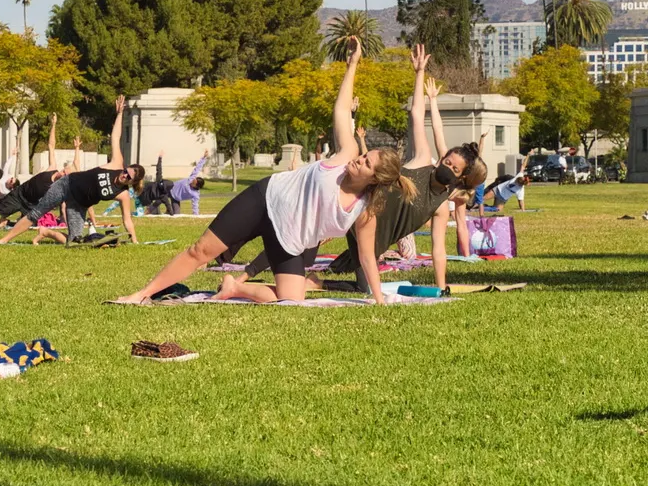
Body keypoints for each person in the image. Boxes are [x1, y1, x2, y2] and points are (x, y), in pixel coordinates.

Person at [115, 37, 414, 305]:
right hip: (265, 201)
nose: (360, 159)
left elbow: (367, 259)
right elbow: (340, 110)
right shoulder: (345, 155)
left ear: (373, 180)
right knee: (200, 251)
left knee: (292, 298)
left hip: (289, 239)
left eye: (367, 163)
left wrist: (379, 300)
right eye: (366, 155)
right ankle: (141, 295)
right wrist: (352, 65)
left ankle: (234, 287)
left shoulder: (363, 212)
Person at [222, 46, 487, 296]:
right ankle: (242, 275)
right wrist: (419, 74)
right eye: (447, 161)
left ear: (461, 177)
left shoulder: (441, 206)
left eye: (453, 168)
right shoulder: (422, 162)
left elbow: (438, 250)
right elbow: (418, 115)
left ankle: (314, 282)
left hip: (369, 241)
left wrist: (440, 288)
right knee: (296, 234)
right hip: (356, 210)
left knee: (364, 288)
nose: (446, 166)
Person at [0, 96, 143, 246]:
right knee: (36, 212)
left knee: (75, 242)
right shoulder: (116, 163)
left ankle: (46, 232)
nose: (124, 175)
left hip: (79, 204)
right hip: (66, 185)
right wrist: (119, 114)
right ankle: (4, 240)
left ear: (133, 182)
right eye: (126, 171)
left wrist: (135, 240)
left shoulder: (123, 195)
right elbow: (115, 137)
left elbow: (127, 219)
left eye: (128, 177)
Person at [141, 152, 209, 216]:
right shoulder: (192, 178)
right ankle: (149, 210)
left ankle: (168, 210)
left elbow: (195, 205)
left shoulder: (195, 194)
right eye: (193, 180)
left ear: (196, 186)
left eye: (193, 183)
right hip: (169, 189)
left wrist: (196, 215)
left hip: (176, 198)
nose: (191, 181)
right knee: (159, 200)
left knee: (176, 214)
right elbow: (197, 168)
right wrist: (204, 158)